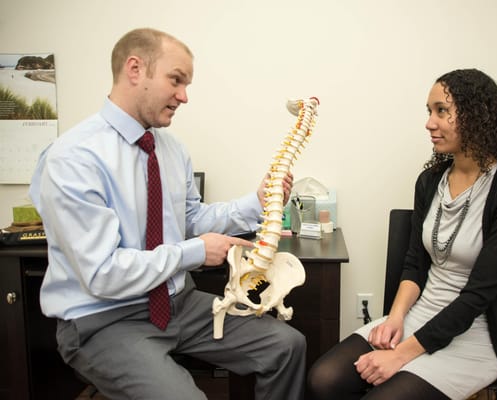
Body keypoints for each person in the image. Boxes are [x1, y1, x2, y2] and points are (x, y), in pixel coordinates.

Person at [28, 28, 305, 400]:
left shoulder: (172, 151)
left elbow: (191, 219)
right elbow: (102, 273)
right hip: (105, 319)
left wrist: (258, 201)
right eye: (176, 80)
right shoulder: (73, 158)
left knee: (287, 345)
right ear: (135, 69)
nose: (184, 96)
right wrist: (193, 251)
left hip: (179, 304)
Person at [307, 68, 497, 400]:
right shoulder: (431, 182)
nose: (430, 122)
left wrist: (400, 355)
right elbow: (415, 263)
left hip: (476, 334)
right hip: (420, 316)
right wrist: (394, 319)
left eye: (441, 110)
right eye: (429, 111)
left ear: (477, 114)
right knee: (323, 379)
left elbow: (478, 296)